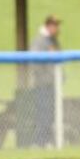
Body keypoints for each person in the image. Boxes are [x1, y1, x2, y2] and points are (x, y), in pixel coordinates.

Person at [27, 15, 61, 147]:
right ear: (48, 26)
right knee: (43, 113)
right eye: (55, 25)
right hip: (43, 84)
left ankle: (48, 140)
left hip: (52, 84)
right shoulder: (40, 40)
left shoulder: (52, 40)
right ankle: (41, 142)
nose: (57, 28)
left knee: (50, 113)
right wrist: (46, 77)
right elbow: (34, 63)